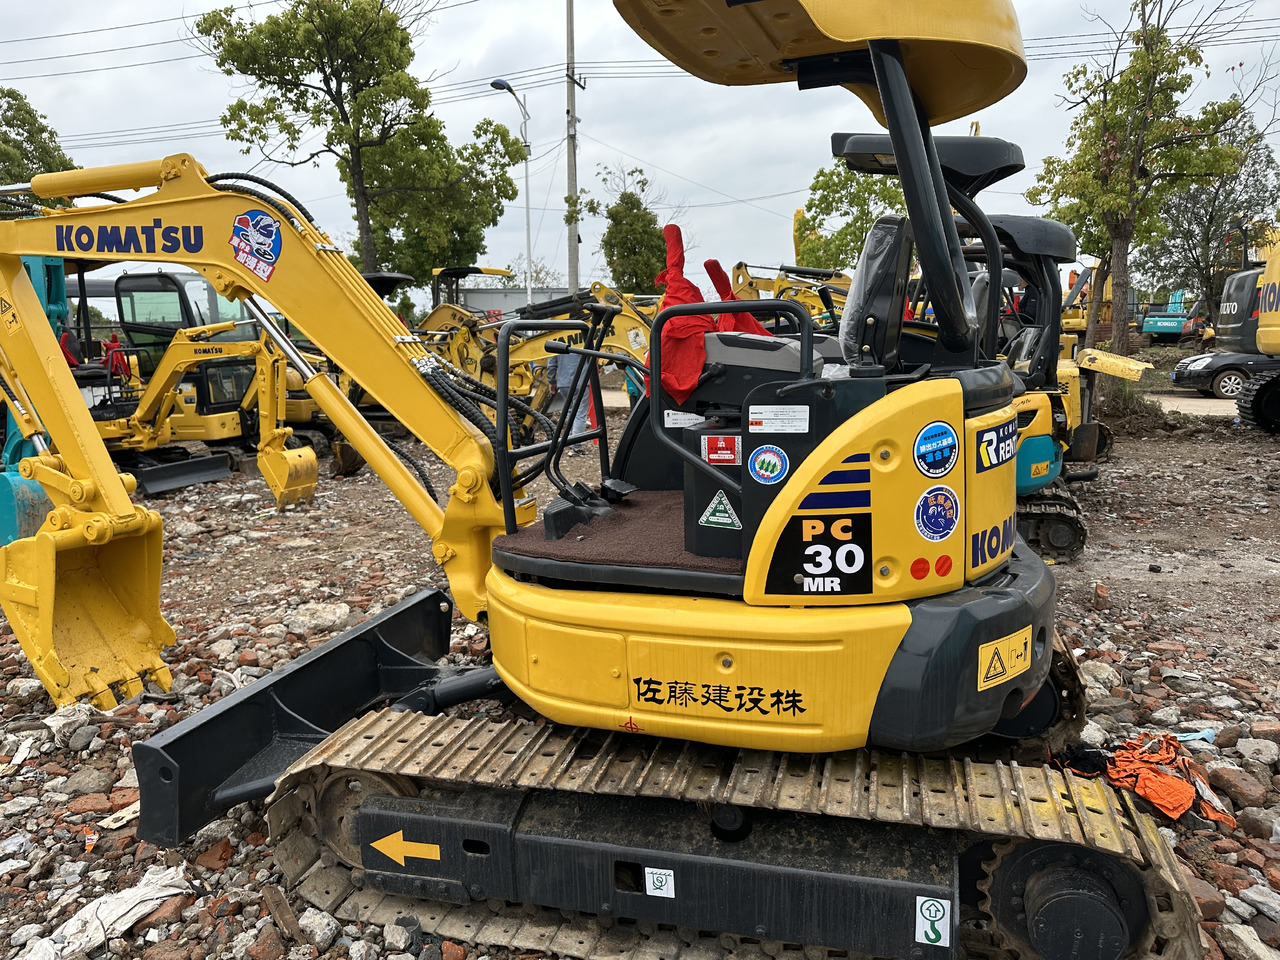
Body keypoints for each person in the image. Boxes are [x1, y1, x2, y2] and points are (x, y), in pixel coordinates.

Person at [547, 352, 592, 455]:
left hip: (564, 384)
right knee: (580, 415)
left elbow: (551, 364)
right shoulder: (582, 338)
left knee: (571, 412)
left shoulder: (557, 338)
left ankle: (571, 441)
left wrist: (552, 381)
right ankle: (576, 447)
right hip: (581, 382)